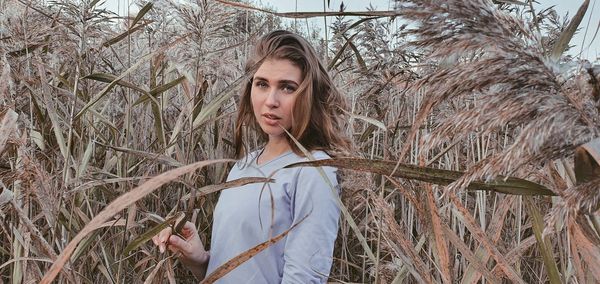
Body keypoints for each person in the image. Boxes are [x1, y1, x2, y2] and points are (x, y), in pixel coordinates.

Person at [152, 30, 351, 283]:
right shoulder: (244, 166)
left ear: (309, 95)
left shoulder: (314, 170)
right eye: (262, 84)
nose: (271, 101)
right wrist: (201, 261)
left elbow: (303, 279)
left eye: (287, 88)